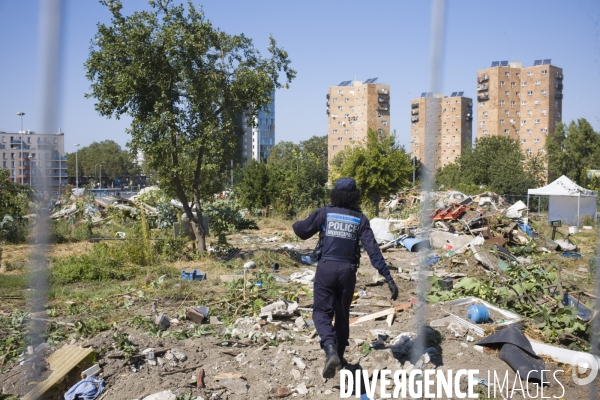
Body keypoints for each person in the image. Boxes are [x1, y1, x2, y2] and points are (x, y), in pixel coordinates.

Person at [292, 177, 398, 378]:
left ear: (335, 194)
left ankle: (330, 348)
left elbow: (301, 231)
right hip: (347, 272)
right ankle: (339, 357)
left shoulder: (324, 213)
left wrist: (297, 222)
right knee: (342, 314)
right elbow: (373, 251)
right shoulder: (360, 219)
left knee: (322, 312)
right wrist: (388, 277)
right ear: (355, 196)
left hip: (326, 268)